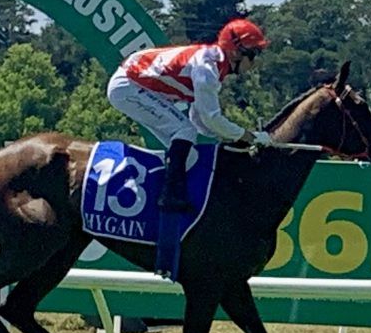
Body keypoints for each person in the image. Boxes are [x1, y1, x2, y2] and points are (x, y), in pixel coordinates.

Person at [107, 18, 273, 211]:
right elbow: (211, 118)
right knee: (184, 131)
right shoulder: (207, 70)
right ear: (236, 52)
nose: (255, 63)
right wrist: (249, 137)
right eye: (253, 55)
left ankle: (159, 188)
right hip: (128, 86)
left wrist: (225, 138)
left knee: (189, 149)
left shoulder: (214, 64)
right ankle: (170, 195)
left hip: (133, 82)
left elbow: (200, 118)